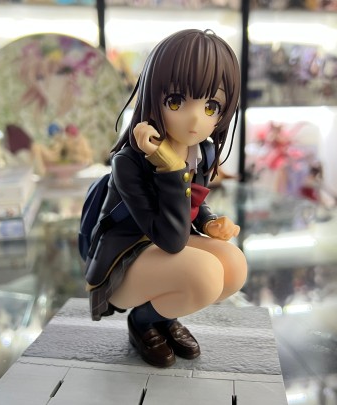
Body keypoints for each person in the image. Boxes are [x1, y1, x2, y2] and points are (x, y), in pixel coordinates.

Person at [85, 29, 248, 367]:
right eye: (176, 101)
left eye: (211, 106)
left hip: (165, 249)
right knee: (204, 275)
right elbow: (170, 238)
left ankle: (162, 316)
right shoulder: (129, 162)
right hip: (127, 257)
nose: (195, 118)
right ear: (152, 96)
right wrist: (169, 167)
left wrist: (209, 221)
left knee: (234, 265)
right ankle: (142, 321)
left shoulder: (201, 150)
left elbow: (193, 203)